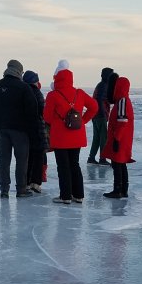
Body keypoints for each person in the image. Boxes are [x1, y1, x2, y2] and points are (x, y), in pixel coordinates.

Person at [42, 66, 98, 204]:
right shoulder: (79, 93)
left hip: (60, 137)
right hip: (76, 135)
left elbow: (47, 117)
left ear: (57, 80)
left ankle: (65, 196)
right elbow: (94, 107)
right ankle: (78, 195)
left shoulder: (53, 95)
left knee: (63, 166)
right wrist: (83, 120)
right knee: (75, 164)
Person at [0, 59, 39, 198]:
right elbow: (32, 111)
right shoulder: (23, 87)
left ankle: (4, 190)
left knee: (3, 161)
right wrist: (33, 132)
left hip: (1, 130)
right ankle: (21, 189)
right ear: (19, 71)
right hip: (20, 131)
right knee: (21, 160)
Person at [103, 75, 134, 198]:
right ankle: (124, 189)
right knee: (121, 163)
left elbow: (122, 121)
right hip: (124, 138)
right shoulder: (125, 100)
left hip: (120, 139)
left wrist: (116, 138)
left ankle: (118, 190)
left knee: (117, 164)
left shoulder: (122, 101)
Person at [87, 66, 116, 164]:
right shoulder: (104, 85)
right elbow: (99, 99)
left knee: (97, 137)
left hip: (96, 114)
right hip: (100, 114)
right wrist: (103, 113)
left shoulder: (101, 85)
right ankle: (102, 158)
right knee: (103, 137)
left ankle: (91, 158)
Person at [23, 70, 46, 192]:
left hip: (24, 129)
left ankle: (25, 182)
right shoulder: (37, 93)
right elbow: (43, 111)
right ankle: (35, 182)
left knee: (27, 156)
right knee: (38, 155)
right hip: (37, 129)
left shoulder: (21, 92)